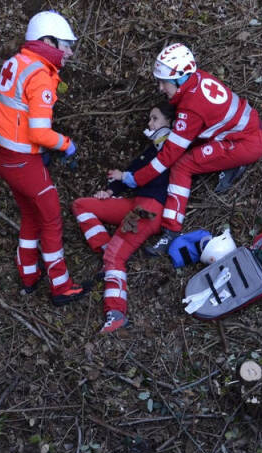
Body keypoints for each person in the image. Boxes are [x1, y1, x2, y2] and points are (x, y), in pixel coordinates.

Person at [115, 43, 262, 256]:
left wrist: (137, 178)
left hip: (246, 143)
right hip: (248, 130)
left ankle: (171, 230)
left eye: (163, 82)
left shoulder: (190, 108)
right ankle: (233, 164)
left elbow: (168, 156)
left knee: (182, 166)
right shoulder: (198, 78)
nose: (160, 88)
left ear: (179, 78)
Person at [0, 10, 90, 305]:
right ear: (47, 41)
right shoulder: (40, 75)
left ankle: (28, 276)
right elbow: (39, 132)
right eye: (65, 45)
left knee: (31, 216)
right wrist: (66, 144)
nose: (70, 52)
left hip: (5, 158)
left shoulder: (17, 62)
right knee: (51, 219)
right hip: (24, 163)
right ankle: (60, 286)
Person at [71, 102, 174, 333]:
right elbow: (130, 170)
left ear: (170, 123)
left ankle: (116, 313)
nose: (150, 123)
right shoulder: (151, 149)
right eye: (150, 118)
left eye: (155, 118)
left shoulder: (173, 148)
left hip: (149, 209)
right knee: (82, 205)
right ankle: (108, 250)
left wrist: (126, 177)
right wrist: (109, 192)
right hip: (134, 203)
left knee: (115, 257)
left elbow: (143, 174)